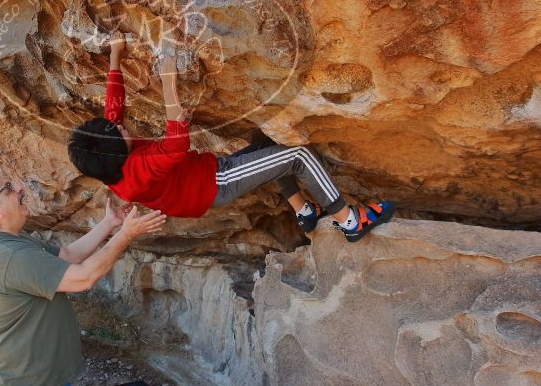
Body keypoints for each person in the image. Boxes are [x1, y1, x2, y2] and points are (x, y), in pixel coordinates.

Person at [68, 34, 395, 243]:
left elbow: (113, 112)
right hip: (216, 182)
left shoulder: (111, 161)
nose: (121, 127)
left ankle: (305, 212)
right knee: (297, 157)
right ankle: (349, 220)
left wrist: (115, 57)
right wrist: (169, 82)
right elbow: (177, 145)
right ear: (115, 152)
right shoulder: (137, 173)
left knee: (266, 144)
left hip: (205, 175)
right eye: (118, 134)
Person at [0, 169, 165, 386]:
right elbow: (83, 277)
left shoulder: (8, 241)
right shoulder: (8, 256)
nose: (21, 188)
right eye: (9, 188)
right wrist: (125, 235)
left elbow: (67, 256)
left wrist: (109, 224)